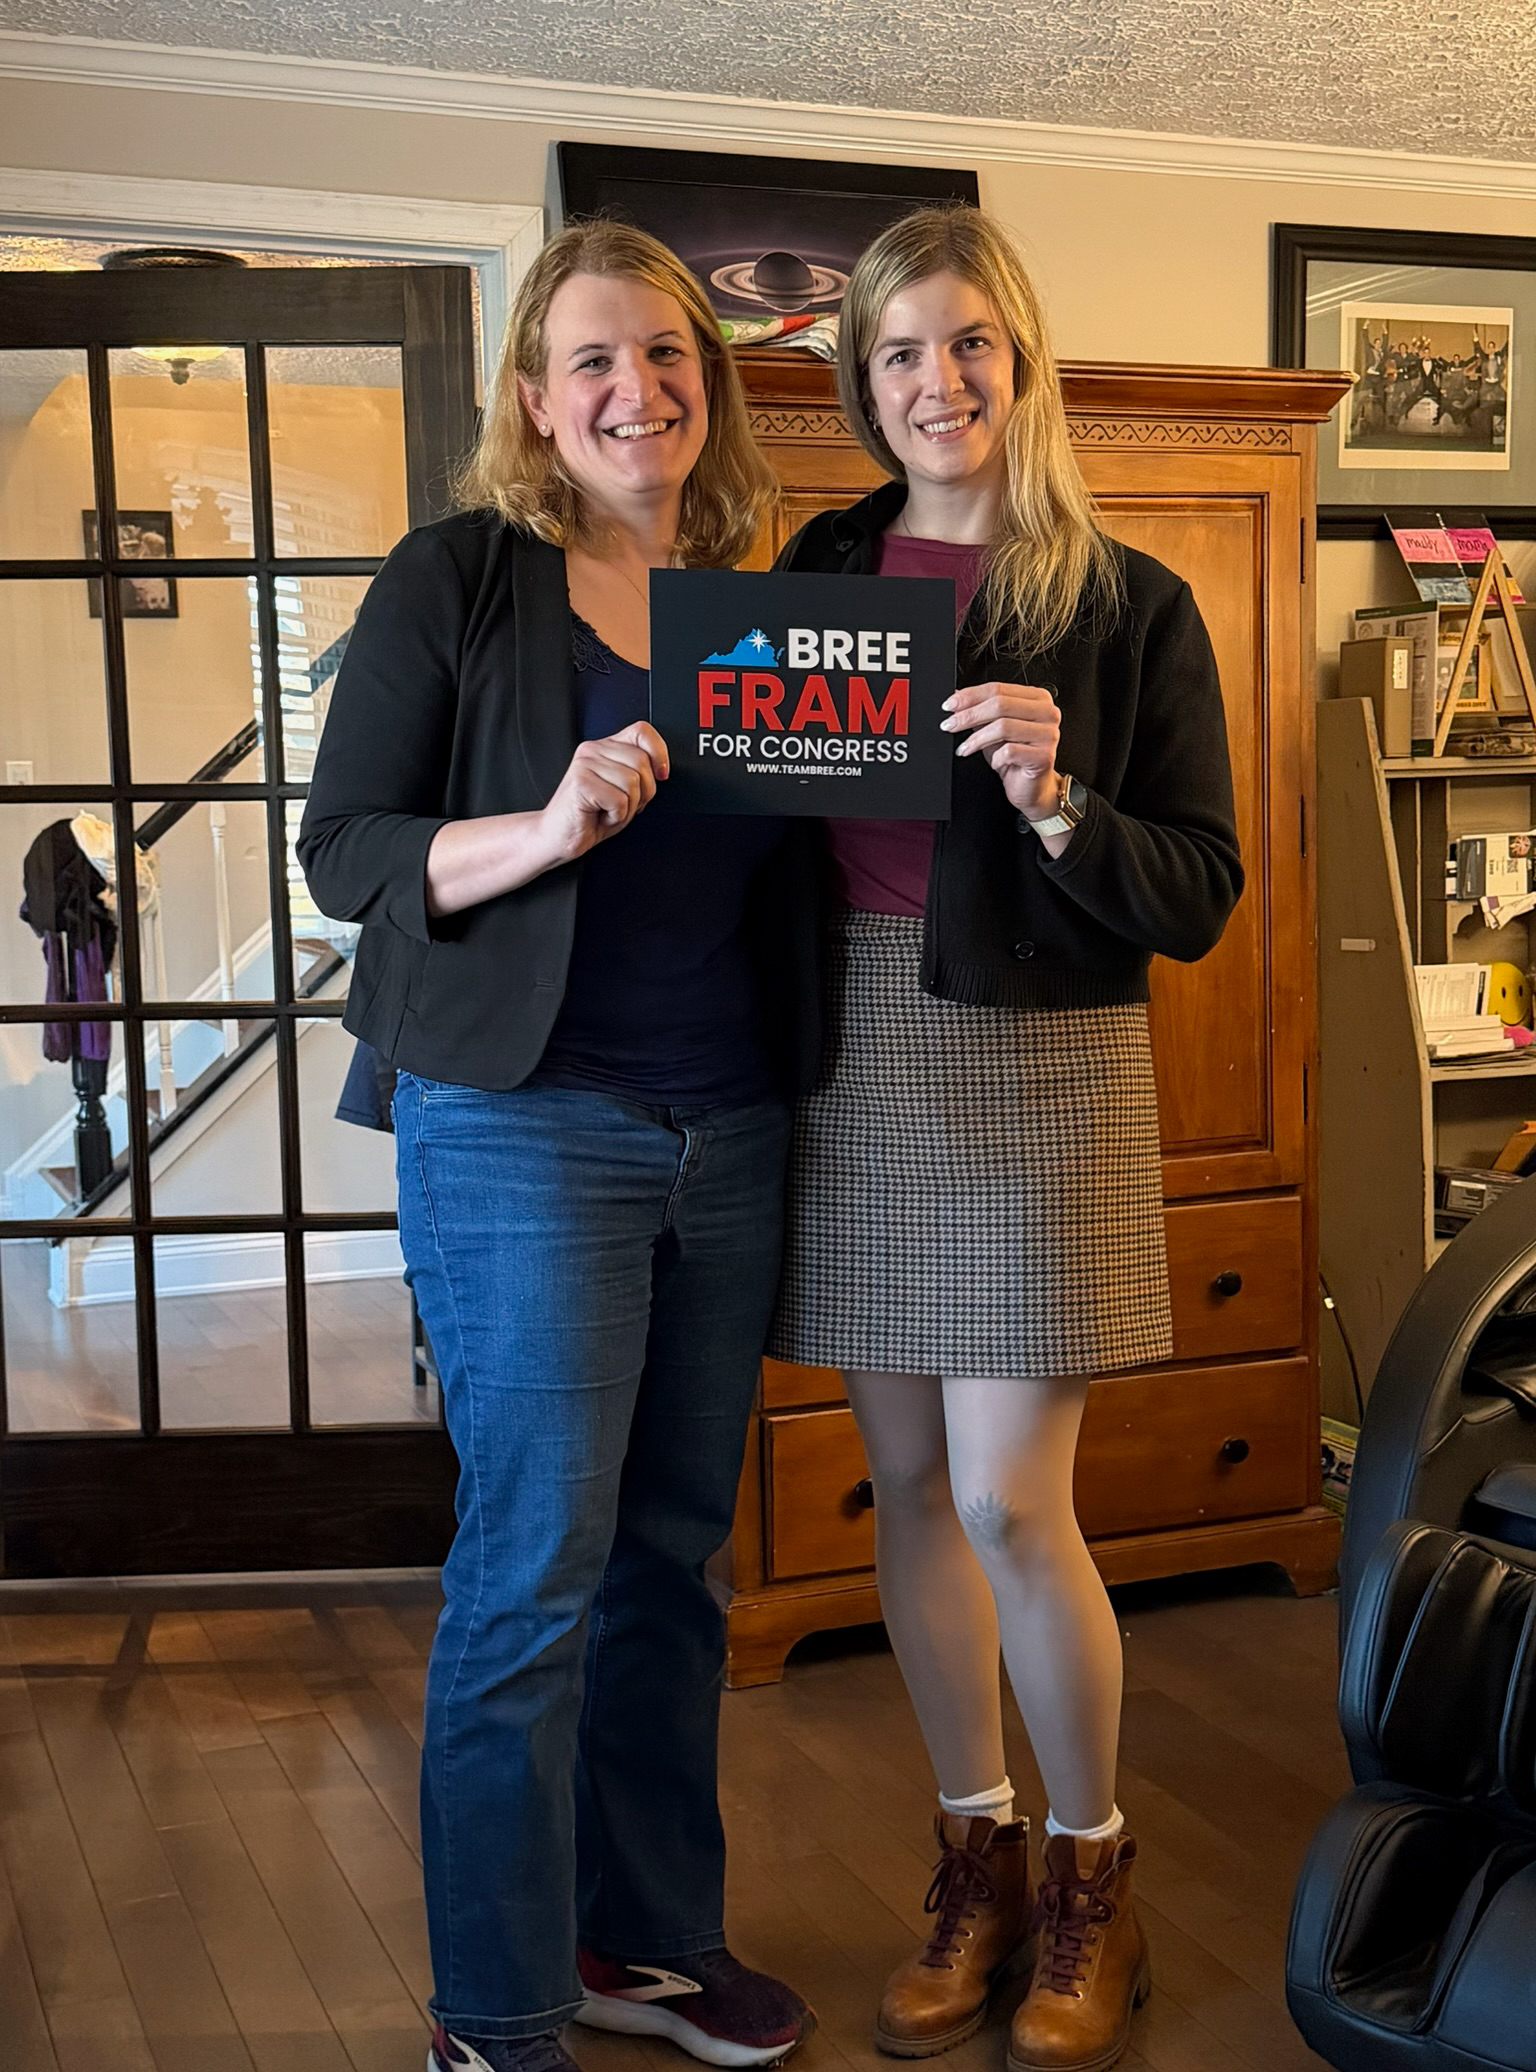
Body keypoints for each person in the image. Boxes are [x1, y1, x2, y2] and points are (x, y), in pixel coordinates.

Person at [298, 218, 819, 2072]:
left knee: (677, 1561)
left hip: (731, 1129)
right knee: (535, 1567)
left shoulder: (766, 607)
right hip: (524, 1127)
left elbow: (827, 874)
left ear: (712, 382)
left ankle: (648, 1945)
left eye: (668, 355)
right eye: (594, 360)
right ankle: (499, 2014)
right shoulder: (459, 579)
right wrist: (543, 822)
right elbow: (346, 847)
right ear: (534, 396)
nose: (635, 389)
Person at [769, 207, 1243, 2072]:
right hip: (848, 1055)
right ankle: (968, 1858)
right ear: (863, 382)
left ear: (1020, 361)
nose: (935, 380)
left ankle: (1087, 1883)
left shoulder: (1124, 602)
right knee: (902, 1491)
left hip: (1036, 1064)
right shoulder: (817, 564)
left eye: (968, 342)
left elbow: (1195, 891)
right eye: (898, 352)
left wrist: (1061, 801)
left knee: (1002, 1500)